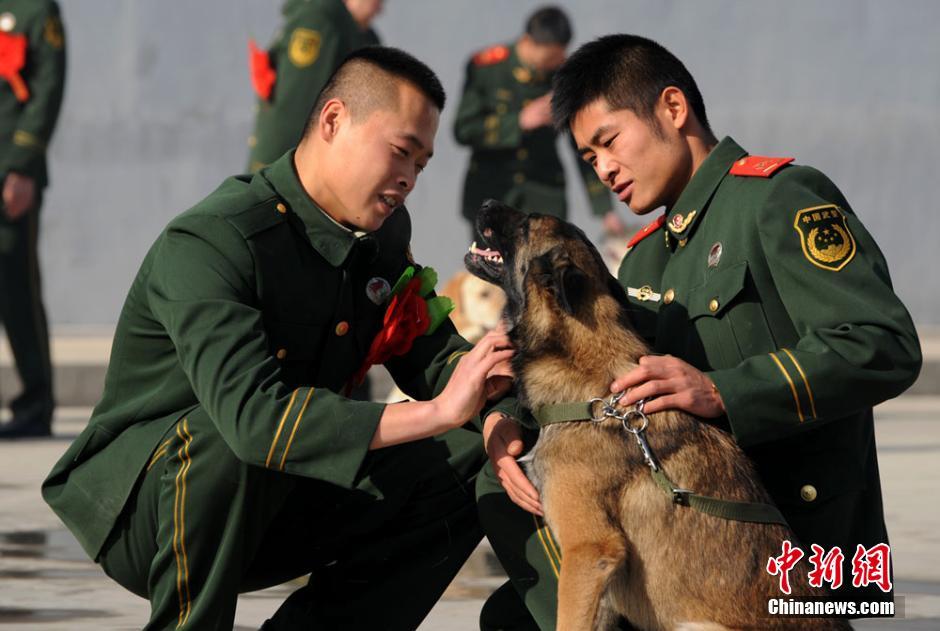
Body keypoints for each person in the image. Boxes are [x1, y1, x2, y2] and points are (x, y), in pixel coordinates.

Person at [43, 47, 516, 630]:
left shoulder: (382, 235)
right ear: (334, 120)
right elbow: (255, 421)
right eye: (400, 152)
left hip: (285, 493)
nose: (409, 179)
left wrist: (494, 409)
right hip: (153, 513)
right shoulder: (215, 240)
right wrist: (439, 412)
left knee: (473, 454)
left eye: (421, 164)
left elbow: (432, 353)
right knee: (223, 438)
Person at [476, 34, 922, 629]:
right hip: (684, 549)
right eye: (588, 158)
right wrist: (506, 419)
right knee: (512, 615)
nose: (603, 169)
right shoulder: (644, 258)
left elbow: (882, 343)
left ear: (672, 107)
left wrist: (722, 391)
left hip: (795, 558)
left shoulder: (778, 200)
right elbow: (591, 372)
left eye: (609, 142)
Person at [453, 6, 623, 237]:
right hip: (493, 192)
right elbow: (463, 129)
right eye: (551, 56)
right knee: (491, 259)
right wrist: (519, 122)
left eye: (560, 55)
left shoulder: (563, 76)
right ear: (528, 42)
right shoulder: (487, 68)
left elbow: (583, 144)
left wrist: (604, 209)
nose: (556, 62)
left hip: (545, 195)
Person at [0, 0, 66, 439]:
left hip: (9, 172)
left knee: (16, 290)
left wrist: (24, 164)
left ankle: (36, 403)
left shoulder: (34, 9)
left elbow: (48, 84)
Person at [247, 0, 384, 173]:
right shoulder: (320, 20)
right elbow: (298, 103)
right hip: (286, 162)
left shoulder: (362, 35)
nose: (380, 9)